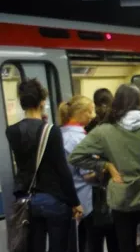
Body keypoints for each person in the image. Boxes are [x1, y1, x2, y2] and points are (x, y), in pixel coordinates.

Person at [69, 85, 140, 252]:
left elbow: (75, 156)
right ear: (139, 102)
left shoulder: (103, 131)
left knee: (125, 244)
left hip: (120, 197)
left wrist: (105, 165)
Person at [6, 78, 82, 252]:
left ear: (22, 102)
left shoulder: (11, 131)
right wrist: (75, 202)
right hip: (54, 199)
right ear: (42, 102)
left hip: (28, 200)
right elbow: (62, 169)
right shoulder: (51, 131)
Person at [82, 88, 120, 252]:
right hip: (117, 187)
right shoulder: (118, 125)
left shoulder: (89, 128)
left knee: (95, 239)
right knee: (116, 238)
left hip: (95, 190)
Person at [59, 95, 97, 252]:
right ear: (80, 112)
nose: (92, 116)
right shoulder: (80, 140)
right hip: (84, 201)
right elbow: (87, 174)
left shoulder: (59, 134)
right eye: (89, 112)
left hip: (65, 199)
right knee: (85, 243)